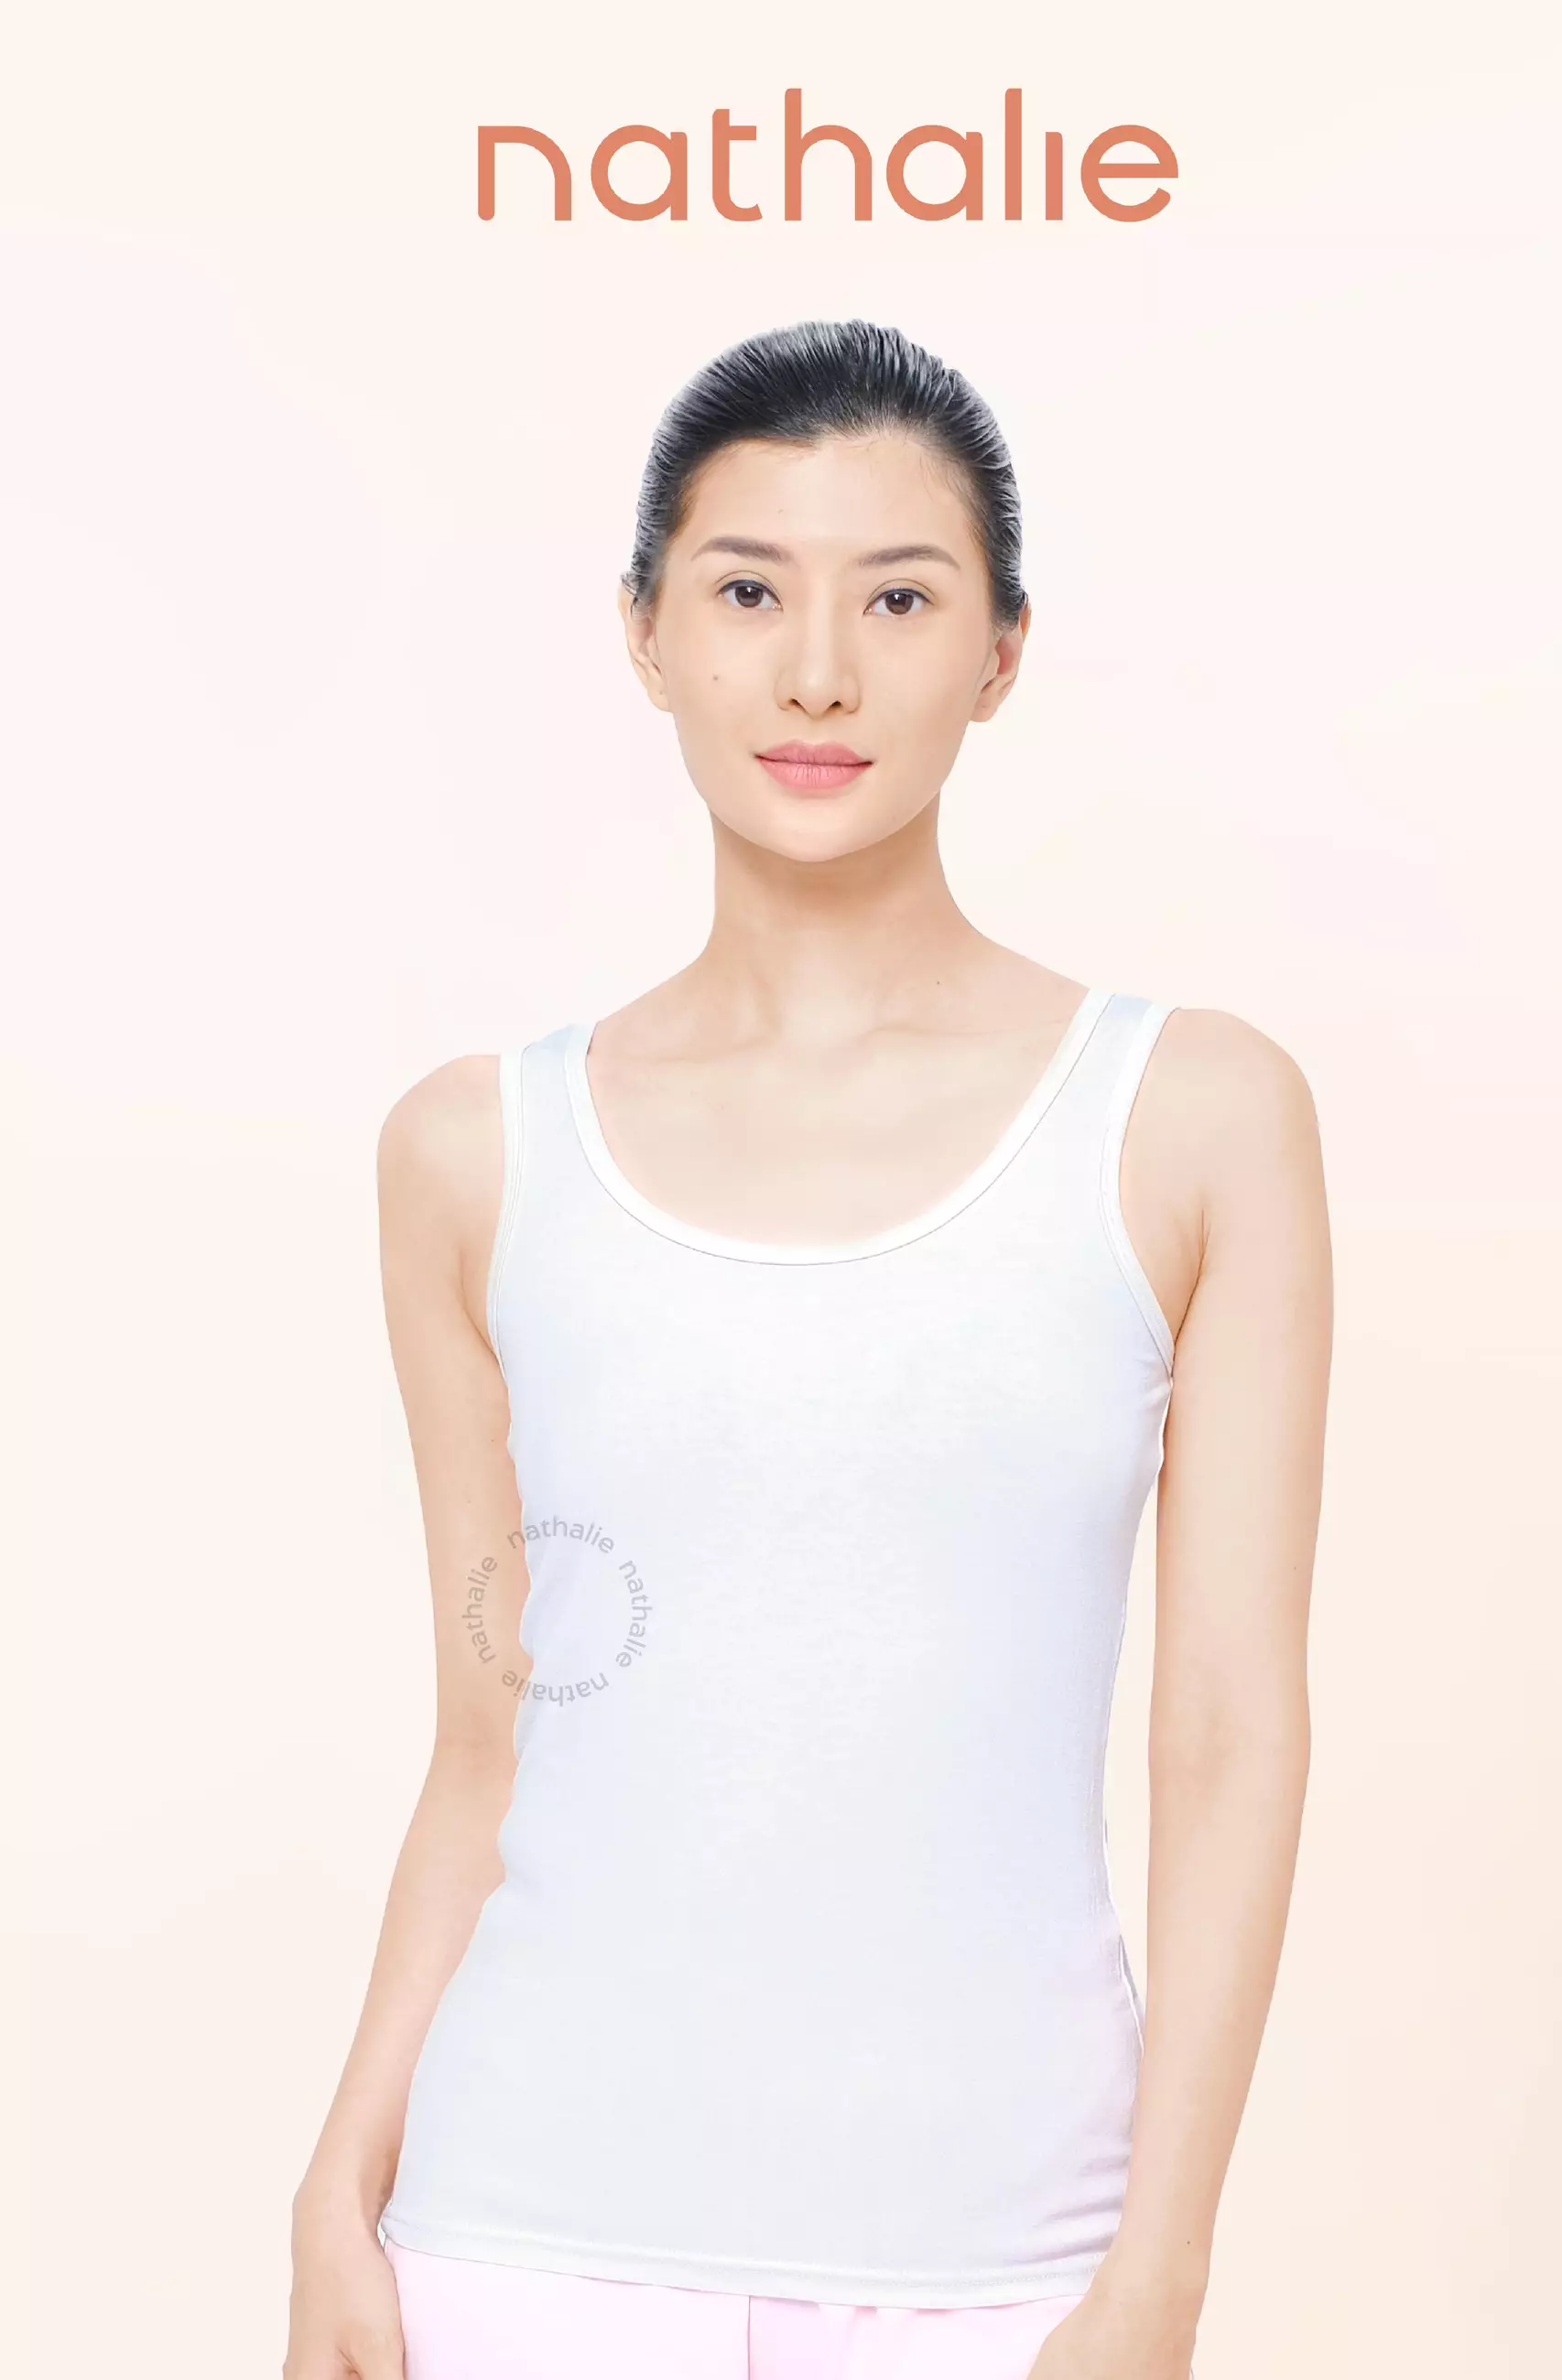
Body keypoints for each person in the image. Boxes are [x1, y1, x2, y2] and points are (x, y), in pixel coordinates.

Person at [284, 318, 1332, 2380]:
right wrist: (338, 2185)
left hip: (1014, 2268)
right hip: (518, 2242)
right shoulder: (476, 1153)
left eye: (901, 599)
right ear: (646, 634)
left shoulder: (1191, 1122)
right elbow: (494, 1733)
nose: (820, 672)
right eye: (748, 590)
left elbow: (1228, 1735)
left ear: (1001, 653)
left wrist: (1159, 2278)